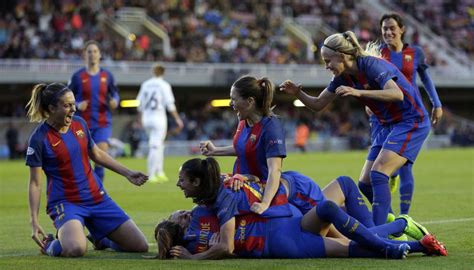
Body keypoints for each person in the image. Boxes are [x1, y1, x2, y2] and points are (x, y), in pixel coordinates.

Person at [279, 31, 431, 226]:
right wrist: (298, 93)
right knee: (365, 183)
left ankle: (379, 233)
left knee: (378, 173)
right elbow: (318, 104)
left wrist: (357, 92)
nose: (326, 66)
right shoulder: (342, 77)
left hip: (411, 120)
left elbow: (396, 94)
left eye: (328, 61)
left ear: (342, 56)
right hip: (388, 124)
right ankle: (394, 224)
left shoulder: (370, 65)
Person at [170, 157, 444, 259]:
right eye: (177, 219)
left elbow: (226, 246)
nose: (178, 185)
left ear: (197, 181)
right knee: (353, 246)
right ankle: (409, 235)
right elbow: (225, 245)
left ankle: (397, 233)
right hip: (288, 234)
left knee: (338, 218)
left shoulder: (222, 197)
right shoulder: (207, 210)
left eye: (182, 179)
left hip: (293, 213)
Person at [25, 83, 149, 257]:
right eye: (67, 105)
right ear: (52, 108)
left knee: (139, 245)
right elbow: (35, 184)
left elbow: (97, 154)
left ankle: (102, 240)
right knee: (75, 249)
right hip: (66, 203)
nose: (73, 109)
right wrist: (34, 220)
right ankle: (51, 245)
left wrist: (128, 173)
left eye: (73, 104)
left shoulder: (80, 124)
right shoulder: (39, 139)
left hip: (97, 198)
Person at [363, 12, 443, 215]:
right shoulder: (376, 53)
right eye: (384, 29)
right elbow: (368, 81)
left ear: (402, 30)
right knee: (375, 170)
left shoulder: (415, 53)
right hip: (382, 117)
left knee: (406, 166)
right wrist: (369, 101)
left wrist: (436, 103)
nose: (388, 32)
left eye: (392, 28)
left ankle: (405, 216)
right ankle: (389, 217)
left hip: (408, 114)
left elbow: (426, 78)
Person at [200, 75, 286, 215]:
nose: (230, 103)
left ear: (250, 101)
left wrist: (264, 203)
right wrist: (215, 151)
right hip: (240, 181)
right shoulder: (243, 122)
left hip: (259, 187)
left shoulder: (271, 128)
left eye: (234, 99)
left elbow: (274, 170)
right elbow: (243, 149)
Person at [68, 40, 120, 182]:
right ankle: (87, 188)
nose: (92, 54)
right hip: (81, 124)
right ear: (85, 55)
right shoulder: (77, 76)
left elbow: (115, 94)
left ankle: (99, 191)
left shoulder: (107, 76)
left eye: (95, 51)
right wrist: (77, 105)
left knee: (101, 156)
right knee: (83, 160)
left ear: (100, 54)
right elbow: (67, 97)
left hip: (102, 122)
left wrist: (115, 101)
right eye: (89, 51)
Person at [136, 63, 184, 183]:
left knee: (158, 145)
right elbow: (170, 105)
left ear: (153, 71)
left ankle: (159, 171)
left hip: (146, 118)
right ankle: (151, 174)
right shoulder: (164, 85)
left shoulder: (145, 84)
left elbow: (139, 104)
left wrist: (140, 119)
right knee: (155, 145)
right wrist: (178, 119)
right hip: (158, 118)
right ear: (163, 72)